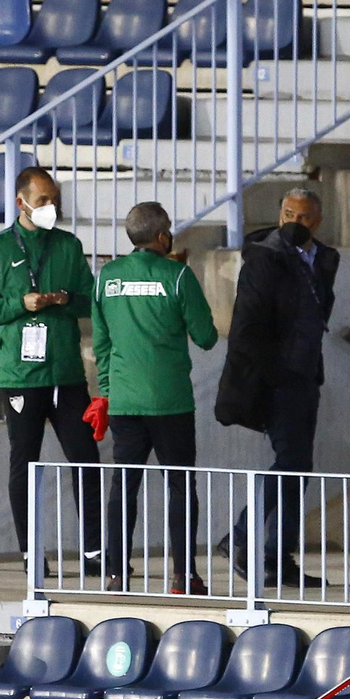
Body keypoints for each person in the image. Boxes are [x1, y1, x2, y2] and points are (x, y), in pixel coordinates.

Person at [0, 165, 103, 575]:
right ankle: (31, 555)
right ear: (21, 202)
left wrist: (65, 300)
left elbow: (89, 300)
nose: (50, 207)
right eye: (43, 200)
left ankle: (95, 553)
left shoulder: (68, 245)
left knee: (85, 459)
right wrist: (19, 305)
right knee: (24, 463)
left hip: (66, 374)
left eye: (54, 200)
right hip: (20, 379)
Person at [88, 201, 219, 594]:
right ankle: (183, 576)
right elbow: (207, 337)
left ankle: (116, 574)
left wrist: (108, 391)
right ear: (163, 237)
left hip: (125, 401)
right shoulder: (177, 276)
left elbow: (101, 342)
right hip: (170, 402)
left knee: (123, 487)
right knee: (180, 486)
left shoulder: (106, 277)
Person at [215, 187, 340, 590]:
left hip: (306, 375)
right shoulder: (265, 257)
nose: (294, 223)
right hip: (278, 378)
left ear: (316, 221)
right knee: (290, 461)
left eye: (302, 217)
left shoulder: (323, 259)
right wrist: (274, 374)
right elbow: (247, 326)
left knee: (298, 467)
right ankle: (241, 536)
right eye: (288, 214)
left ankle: (275, 556)